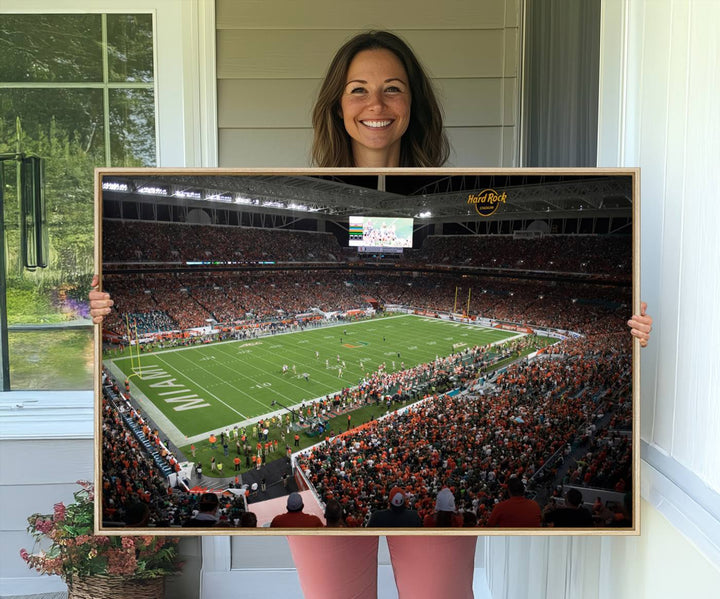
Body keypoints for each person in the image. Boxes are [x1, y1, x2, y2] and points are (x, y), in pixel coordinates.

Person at [88, 28, 653, 599]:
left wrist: (633, 337)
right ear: (337, 105)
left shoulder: (480, 179)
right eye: (358, 89)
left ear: (415, 105)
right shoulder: (280, 176)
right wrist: (94, 311)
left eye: (393, 89)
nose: (375, 105)